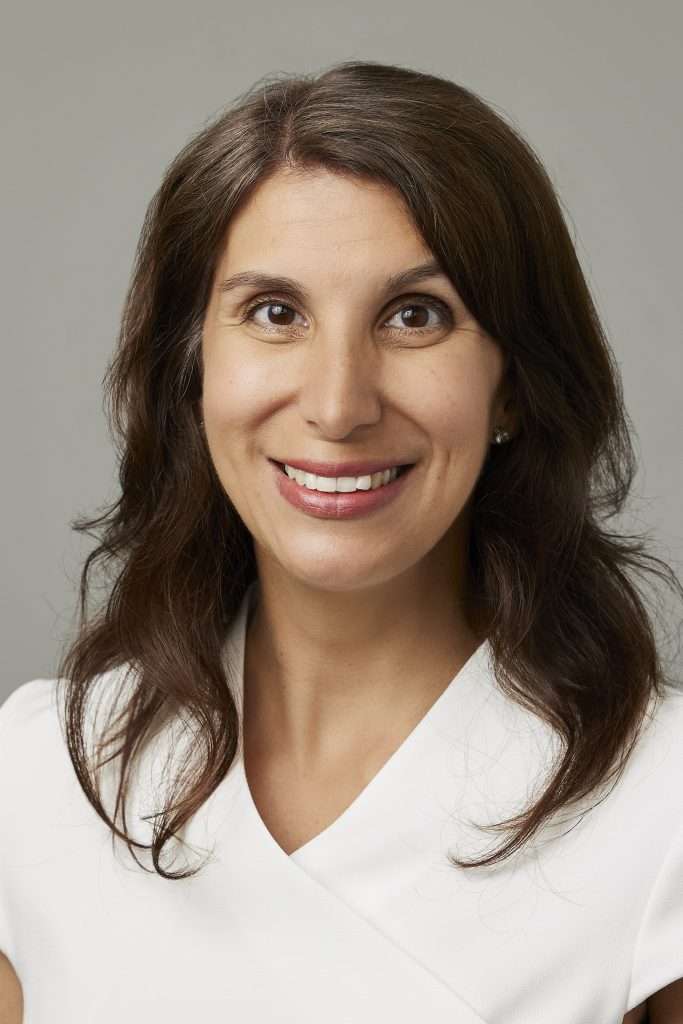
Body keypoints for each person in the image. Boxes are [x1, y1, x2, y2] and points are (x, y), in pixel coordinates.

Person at [0, 59, 681, 1023]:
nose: (336, 404)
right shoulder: (39, 777)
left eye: (414, 316)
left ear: (514, 385)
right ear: (194, 369)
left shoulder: (659, 810)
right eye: (275, 314)